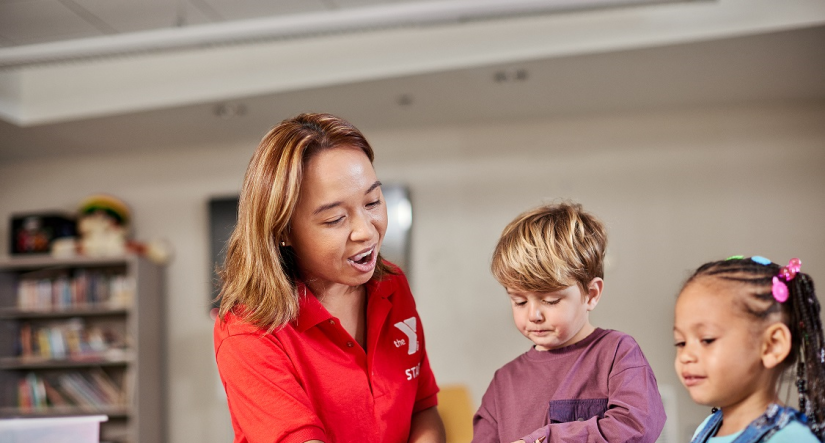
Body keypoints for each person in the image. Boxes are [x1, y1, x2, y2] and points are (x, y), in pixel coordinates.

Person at [213, 113, 446, 443]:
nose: (366, 231)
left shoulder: (392, 286)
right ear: (283, 231)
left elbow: (422, 408)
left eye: (373, 201)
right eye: (335, 219)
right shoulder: (247, 332)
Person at [472, 202, 666, 443]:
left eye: (551, 300)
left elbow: (636, 426)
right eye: (519, 302)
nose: (533, 314)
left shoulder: (617, 353)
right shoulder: (504, 381)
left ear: (591, 294)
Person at [674, 255, 825, 442]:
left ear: (772, 346)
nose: (686, 356)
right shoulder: (706, 428)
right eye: (680, 342)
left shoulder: (791, 439)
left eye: (707, 339)